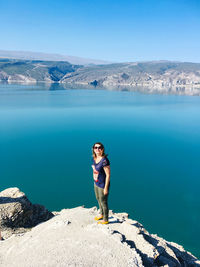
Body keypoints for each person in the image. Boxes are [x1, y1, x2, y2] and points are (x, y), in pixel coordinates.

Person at [91, 142, 110, 224]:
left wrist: (106, 188)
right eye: (96, 147)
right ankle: (101, 214)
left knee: (103, 202)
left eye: (99, 147)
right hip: (96, 183)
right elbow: (94, 170)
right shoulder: (94, 158)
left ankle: (105, 219)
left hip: (102, 185)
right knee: (98, 199)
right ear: (93, 149)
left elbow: (108, 175)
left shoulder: (104, 161)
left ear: (102, 149)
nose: (97, 149)